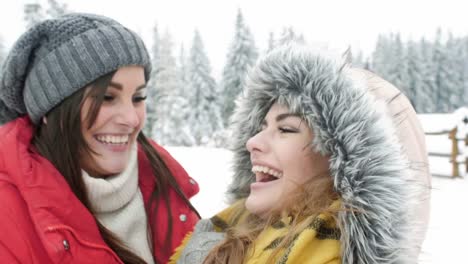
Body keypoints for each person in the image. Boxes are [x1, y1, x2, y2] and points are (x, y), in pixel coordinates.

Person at [170, 44, 431, 264]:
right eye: (262, 127)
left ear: (345, 165)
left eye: (285, 128)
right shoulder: (216, 235)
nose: (253, 142)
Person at [0, 13, 200, 264]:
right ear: (50, 113)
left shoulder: (164, 183)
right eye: (107, 97)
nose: (131, 119)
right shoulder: (7, 221)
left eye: (138, 98)